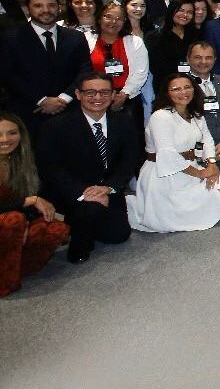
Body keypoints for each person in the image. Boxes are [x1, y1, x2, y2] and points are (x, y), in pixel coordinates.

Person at [36, 73, 141, 264]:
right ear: (78, 94)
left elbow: (130, 159)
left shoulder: (124, 121)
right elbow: (51, 168)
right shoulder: (56, 126)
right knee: (88, 215)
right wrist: (84, 193)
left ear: (112, 95)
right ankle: (77, 243)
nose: (98, 98)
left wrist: (109, 187)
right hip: (71, 191)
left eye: (104, 92)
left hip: (107, 188)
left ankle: (84, 222)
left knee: (118, 235)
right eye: (90, 92)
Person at [126, 73, 220, 233]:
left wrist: (212, 164)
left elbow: (206, 139)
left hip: (191, 165)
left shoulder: (195, 114)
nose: (183, 92)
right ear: (167, 93)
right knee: (173, 218)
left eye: (187, 87)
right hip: (163, 173)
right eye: (176, 89)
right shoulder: (160, 117)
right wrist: (201, 174)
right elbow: (167, 155)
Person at [1, 0, 92, 137]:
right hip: (30, 111)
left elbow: (85, 70)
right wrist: (41, 100)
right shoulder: (10, 38)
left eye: (51, 5)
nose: (46, 10)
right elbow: (9, 75)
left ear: (59, 7)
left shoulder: (75, 37)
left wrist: (64, 99)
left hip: (69, 109)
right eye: (38, 6)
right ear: (28, 9)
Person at [0, 112, 70, 296]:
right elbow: (22, 203)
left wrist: (27, 220)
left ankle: (14, 269)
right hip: (9, 221)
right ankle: (6, 282)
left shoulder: (21, 161)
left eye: (12, 133)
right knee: (13, 221)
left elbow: (30, 202)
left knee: (54, 229)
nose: (5, 139)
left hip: (13, 221)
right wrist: (27, 202)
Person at [85, 1, 149, 143]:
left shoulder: (134, 42)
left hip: (127, 99)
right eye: (108, 17)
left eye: (119, 18)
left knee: (130, 142)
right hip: (94, 98)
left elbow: (140, 72)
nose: (114, 22)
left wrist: (123, 94)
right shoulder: (87, 40)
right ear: (99, 18)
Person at [184, 40, 220, 184]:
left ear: (215, 60)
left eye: (208, 58)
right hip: (195, 153)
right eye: (198, 57)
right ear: (188, 59)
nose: (203, 62)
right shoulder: (181, 86)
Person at [147, 0, 199, 85]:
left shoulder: (196, 35)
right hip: (166, 84)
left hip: (193, 83)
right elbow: (156, 66)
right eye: (181, 10)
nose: (185, 14)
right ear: (171, 11)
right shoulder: (155, 36)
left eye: (190, 12)